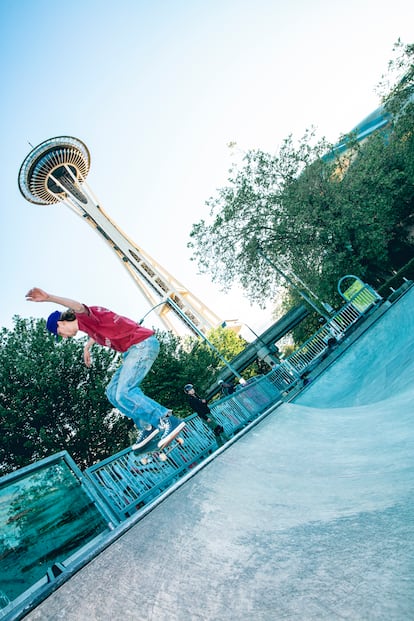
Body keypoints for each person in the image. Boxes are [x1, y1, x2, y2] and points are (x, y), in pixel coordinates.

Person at [25, 287, 185, 451]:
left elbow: (78, 307)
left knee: (125, 392)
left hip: (141, 346)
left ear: (61, 323)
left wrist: (49, 297)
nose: (64, 337)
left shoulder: (83, 316)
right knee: (112, 392)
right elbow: (96, 333)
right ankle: (148, 427)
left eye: (60, 333)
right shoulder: (88, 326)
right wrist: (87, 347)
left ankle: (166, 419)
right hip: (132, 352)